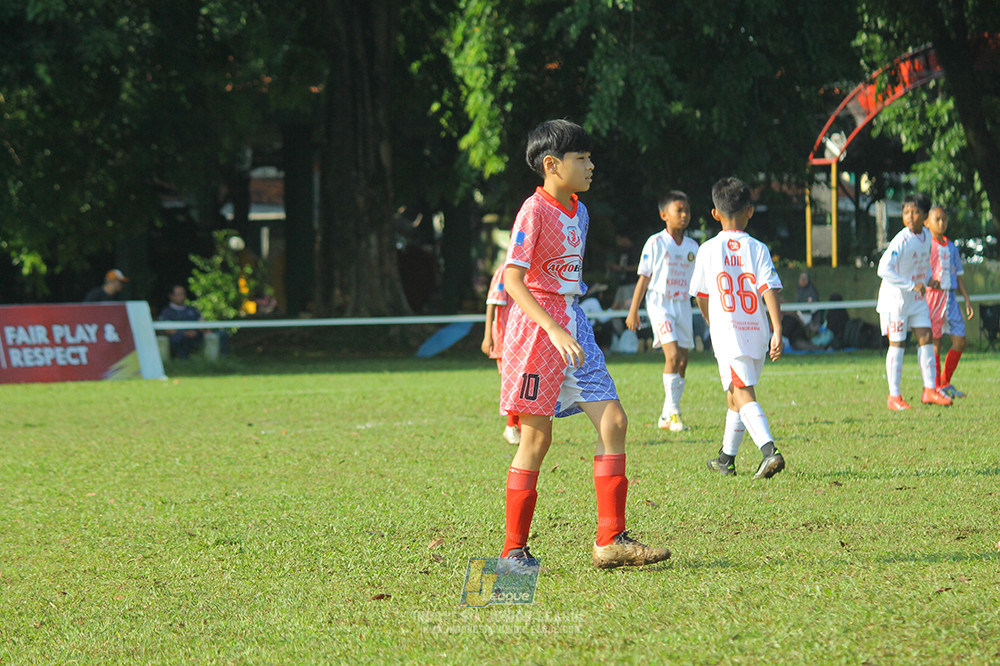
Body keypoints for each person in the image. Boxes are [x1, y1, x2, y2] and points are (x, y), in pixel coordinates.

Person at [496, 119, 670, 571]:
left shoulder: (581, 210)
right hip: (539, 333)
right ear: (552, 165)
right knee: (537, 439)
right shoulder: (531, 212)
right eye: (582, 158)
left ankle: (610, 540)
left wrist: (567, 323)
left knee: (613, 421)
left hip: (576, 325)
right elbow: (513, 278)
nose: (591, 166)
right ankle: (513, 553)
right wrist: (551, 328)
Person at [689, 177, 785, 479]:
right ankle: (726, 458)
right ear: (750, 211)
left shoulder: (708, 249)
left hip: (728, 331)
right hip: (755, 330)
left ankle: (770, 452)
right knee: (734, 393)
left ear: (715, 214)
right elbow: (769, 287)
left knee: (742, 392)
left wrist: (709, 319)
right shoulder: (757, 248)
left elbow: (701, 295)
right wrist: (777, 329)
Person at [625, 190, 699, 432]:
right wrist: (633, 310)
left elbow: (698, 284)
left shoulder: (692, 246)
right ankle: (674, 414)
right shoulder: (655, 242)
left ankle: (667, 414)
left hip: (683, 304)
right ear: (664, 214)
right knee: (673, 356)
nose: (684, 215)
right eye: (679, 210)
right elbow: (644, 278)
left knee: (684, 360)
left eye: (687, 210)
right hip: (660, 304)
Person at [876, 193, 952, 410]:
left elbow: (923, 262)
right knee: (898, 344)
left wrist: (929, 279)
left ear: (925, 215)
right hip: (897, 300)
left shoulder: (926, 236)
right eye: (906, 212)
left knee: (926, 337)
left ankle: (929, 390)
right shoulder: (902, 239)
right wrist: (911, 285)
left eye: (915, 212)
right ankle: (894, 396)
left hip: (917, 297)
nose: (909, 216)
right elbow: (883, 269)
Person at [924, 205, 974, 398]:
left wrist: (967, 299)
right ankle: (936, 387)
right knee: (935, 341)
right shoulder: (927, 245)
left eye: (944, 219)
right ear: (927, 222)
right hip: (933, 298)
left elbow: (958, 275)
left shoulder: (951, 247)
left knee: (960, 340)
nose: (942, 223)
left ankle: (945, 381)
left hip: (950, 298)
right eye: (937, 219)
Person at [481, 264, 521, 444]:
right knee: (514, 383)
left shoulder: (528, 269)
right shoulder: (504, 270)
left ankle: (517, 426)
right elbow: (492, 301)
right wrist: (487, 336)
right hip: (505, 337)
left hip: (521, 335)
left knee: (523, 381)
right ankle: (511, 426)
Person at [159, 284, 205, 359]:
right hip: (178, 339)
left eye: (184, 294)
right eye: (179, 294)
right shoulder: (166, 312)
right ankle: (183, 362)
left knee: (221, 334)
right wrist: (185, 333)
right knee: (178, 338)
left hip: (195, 337)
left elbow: (203, 324)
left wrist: (196, 331)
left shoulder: (192, 310)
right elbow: (167, 330)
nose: (183, 297)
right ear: (171, 296)